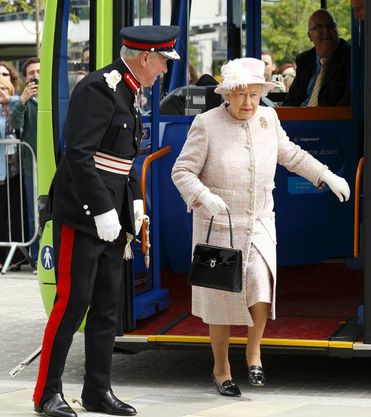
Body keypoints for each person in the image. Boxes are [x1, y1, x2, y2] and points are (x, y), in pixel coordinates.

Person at [171, 57, 350, 397]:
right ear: (227, 95)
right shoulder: (206, 124)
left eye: (254, 94)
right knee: (220, 301)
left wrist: (325, 175)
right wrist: (203, 196)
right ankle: (221, 367)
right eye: (241, 95)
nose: (248, 102)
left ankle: (254, 353)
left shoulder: (268, 117)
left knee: (261, 285)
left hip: (259, 221)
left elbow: (292, 155)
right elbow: (182, 172)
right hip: (219, 226)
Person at [32, 25, 180, 417]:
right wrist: (100, 209)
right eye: (164, 61)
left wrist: (133, 203)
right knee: (71, 304)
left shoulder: (129, 90)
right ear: (145, 58)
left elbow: (125, 158)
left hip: (113, 217)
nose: (165, 69)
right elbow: (79, 156)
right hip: (83, 214)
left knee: (106, 308)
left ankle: (98, 391)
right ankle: (47, 394)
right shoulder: (100, 87)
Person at [283, 9, 351, 107]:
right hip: (300, 118)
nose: (326, 31)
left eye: (330, 26)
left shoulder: (349, 57)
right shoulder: (305, 60)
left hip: (331, 120)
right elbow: (291, 100)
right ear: (309, 36)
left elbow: (347, 103)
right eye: (319, 27)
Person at [10, 57, 40, 273]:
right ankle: (38, 257)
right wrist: (22, 101)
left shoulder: (54, 97)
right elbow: (15, 125)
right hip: (32, 167)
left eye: (38, 71)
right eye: (31, 73)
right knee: (34, 216)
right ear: (25, 77)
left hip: (56, 163)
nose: (35, 76)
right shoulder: (23, 102)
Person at [0, 76, 26, 271]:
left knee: (16, 212)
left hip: (18, 168)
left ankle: (18, 257)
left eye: (4, 86)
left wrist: (13, 101)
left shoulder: (19, 102)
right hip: (3, 169)